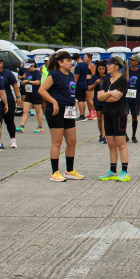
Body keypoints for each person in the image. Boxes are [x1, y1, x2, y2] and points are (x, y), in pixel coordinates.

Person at [38, 51, 83, 183]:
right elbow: (41, 90)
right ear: (60, 62)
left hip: (69, 110)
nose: (71, 63)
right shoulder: (54, 75)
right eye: (68, 61)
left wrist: (74, 100)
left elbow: (69, 90)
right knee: (57, 141)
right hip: (56, 110)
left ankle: (69, 170)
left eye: (71, 60)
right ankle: (54, 172)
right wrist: (53, 101)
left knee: (72, 141)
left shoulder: (70, 74)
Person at [96, 56, 131, 181]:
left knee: (121, 144)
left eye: (109, 64)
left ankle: (124, 171)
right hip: (107, 114)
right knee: (111, 144)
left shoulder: (123, 80)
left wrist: (106, 96)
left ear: (116, 67)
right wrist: (110, 93)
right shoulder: (106, 80)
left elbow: (116, 98)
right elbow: (99, 97)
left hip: (118, 115)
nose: (107, 66)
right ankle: (112, 170)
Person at [0, 57, 21, 149]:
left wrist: (18, 97)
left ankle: (13, 140)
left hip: (8, 99)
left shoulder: (8, 73)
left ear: (2, 64)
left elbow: (15, 85)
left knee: (9, 120)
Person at [125, 54, 140, 144]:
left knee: (134, 116)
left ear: (137, 62)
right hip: (126, 96)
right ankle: (124, 134)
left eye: (133, 60)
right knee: (125, 114)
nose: (130, 62)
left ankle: (133, 135)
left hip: (136, 97)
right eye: (130, 60)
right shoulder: (127, 72)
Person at [17, 62, 44, 134]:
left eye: (29, 67)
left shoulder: (37, 73)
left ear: (32, 66)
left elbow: (37, 82)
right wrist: (23, 82)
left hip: (36, 94)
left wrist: (28, 81)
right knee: (25, 110)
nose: (28, 69)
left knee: (38, 111)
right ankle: (22, 126)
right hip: (28, 94)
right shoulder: (27, 73)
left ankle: (40, 127)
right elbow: (24, 80)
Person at [88, 61, 108, 143]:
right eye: (99, 69)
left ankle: (105, 134)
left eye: (103, 69)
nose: (101, 71)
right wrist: (96, 83)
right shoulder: (95, 77)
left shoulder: (108, 76)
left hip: (106, 100)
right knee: (99, 118)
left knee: (106, 118)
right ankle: (102, 134)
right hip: (98, 100)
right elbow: (90, 88)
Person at [74, 53, 92, 121]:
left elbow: (76, 76)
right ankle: (83, 114)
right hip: (85, 83)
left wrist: (74, 85)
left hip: (79, 84)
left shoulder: (78, 66)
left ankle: (81, 115)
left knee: (80, 100)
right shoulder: (85, 64)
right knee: (83, 99)